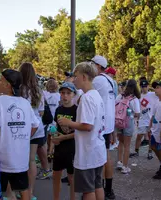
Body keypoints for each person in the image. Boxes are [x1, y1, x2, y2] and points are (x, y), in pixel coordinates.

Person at [0, 69, 39, 200]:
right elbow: (36, 125)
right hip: (20, 156)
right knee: (23, 188)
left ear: (8, 85)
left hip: (1, 156)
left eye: (1, 80)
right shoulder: (25, 103)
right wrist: (24, 138)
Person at [58, 62, 106, 200]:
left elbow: (87, 125)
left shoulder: (87, 98)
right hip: (97, 148)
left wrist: (69, 123)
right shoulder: (96, 96)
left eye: (76, 76)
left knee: (87, 190)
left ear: (84, 77)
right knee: (97, 185)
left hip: (87, 151)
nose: (74, 79)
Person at [19, 62, 51, 200]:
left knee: (20, 160)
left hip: (20, 128)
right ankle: (30, 191)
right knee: (32, 160)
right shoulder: (38, 90)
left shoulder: (19, 89)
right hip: (36, 127)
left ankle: (20, 190)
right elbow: (42, 112)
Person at [91, 55, 116, 199]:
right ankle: (108, 189)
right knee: (106, 156)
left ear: (98, 66)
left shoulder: (98, 80)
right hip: (108, 124)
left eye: (92, 63)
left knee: (100, 158)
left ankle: (98, 189)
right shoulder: (110, 81)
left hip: (100, 125)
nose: (89, 65)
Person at [52, 82, 77, 200]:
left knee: (71, 178)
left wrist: (62, 137)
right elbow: (56, 128)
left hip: (72, 148)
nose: (65, 96)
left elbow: (78, 133)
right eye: (63, 93)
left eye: (68, 93)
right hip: (59, 148)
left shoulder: (77, 110)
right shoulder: (58, 110)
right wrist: (54, 138)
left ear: (73, 95)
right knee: (56, 175)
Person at [115, 79, 140, 174]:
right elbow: (137, 113)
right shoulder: (134, 99)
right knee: (127, 145)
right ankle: (125, 167)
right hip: (128, 122)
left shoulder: (120, 96)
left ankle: (119, 162)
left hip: (118, 121)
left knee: (120, 143)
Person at [129, 79, 158, 160]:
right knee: (139, 136)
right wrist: (137, 120)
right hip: (142, 119)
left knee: (150, 136)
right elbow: (137, 109)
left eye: (145, 86)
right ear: (140, 87)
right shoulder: (139, 96)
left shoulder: (153, 94)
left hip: (150, 119)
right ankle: (136, 151)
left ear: (148, 86)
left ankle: (150, 152)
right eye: (142, 86)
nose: (144, 88)